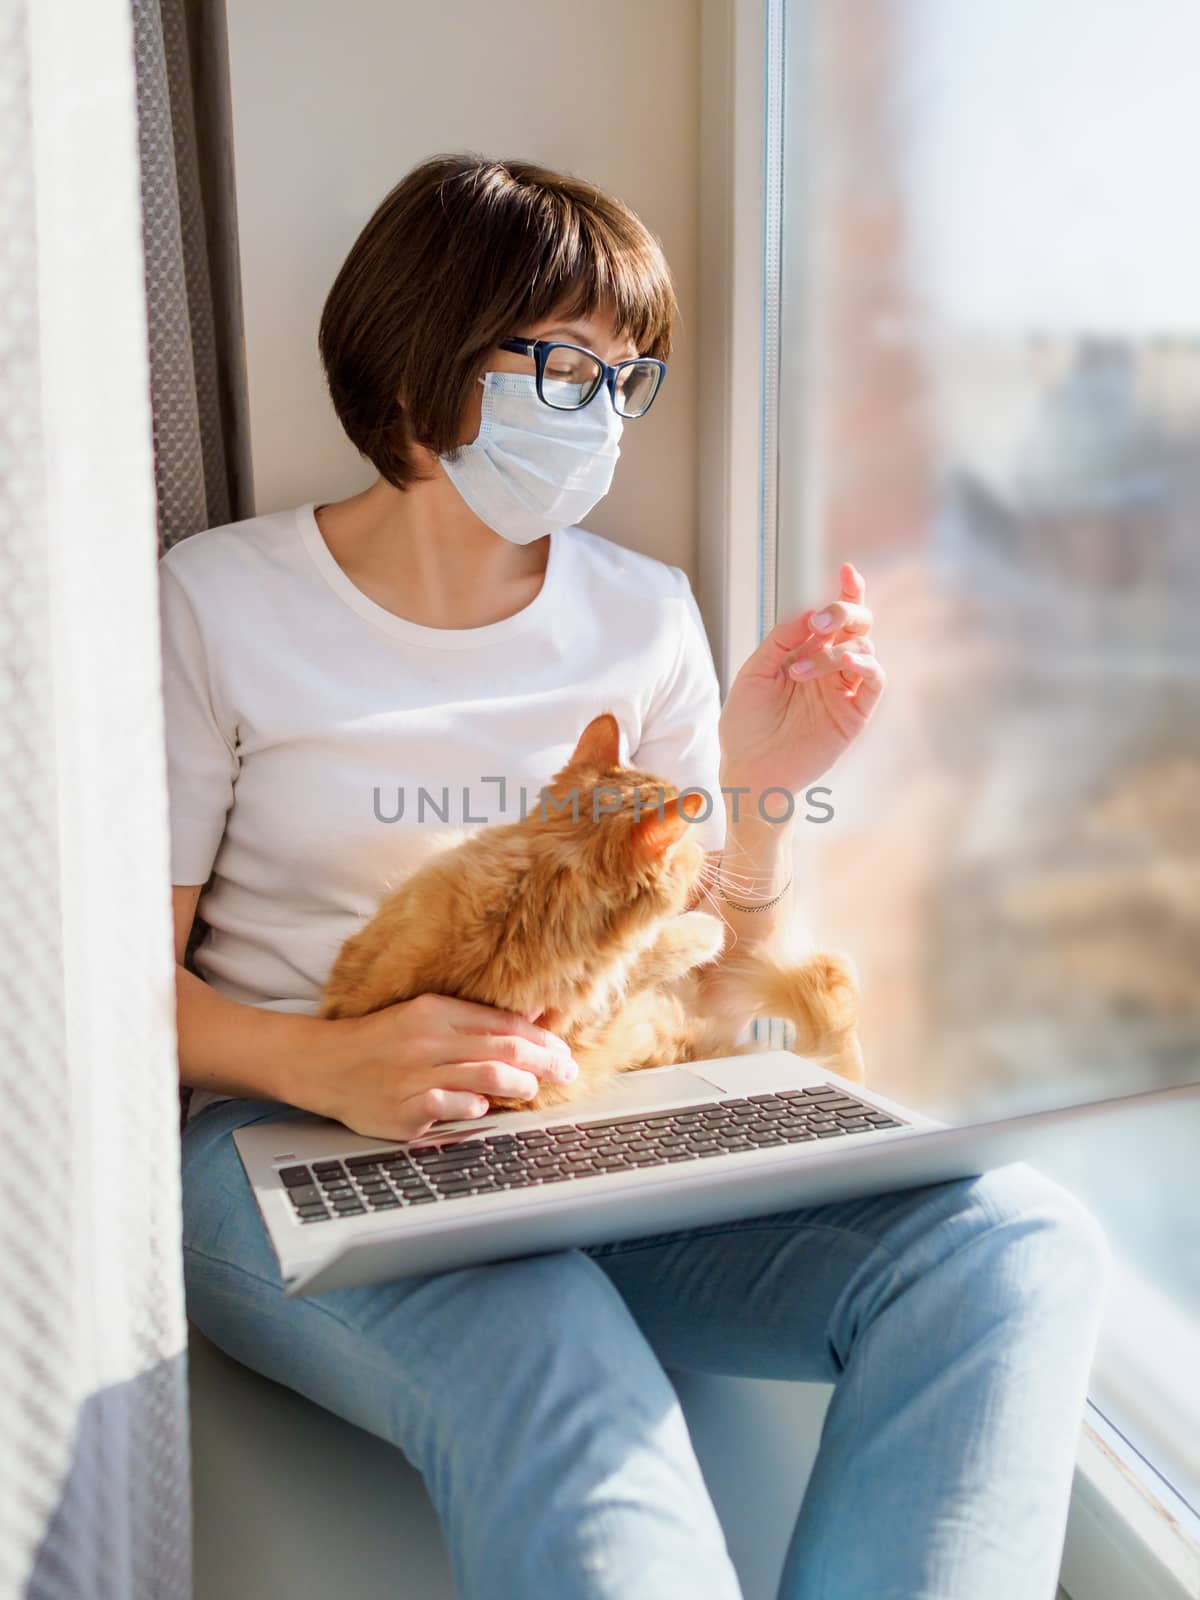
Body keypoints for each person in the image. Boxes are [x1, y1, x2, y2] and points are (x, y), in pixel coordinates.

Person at [166, 154, 1108, 1600]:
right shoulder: (219, 603)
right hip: (296, 1149)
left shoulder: (642, 611)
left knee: (1013, 1244)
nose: (601, 412)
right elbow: (107, 997)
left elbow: (719, 989)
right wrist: (326, 1062)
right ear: (421, 355)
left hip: (601, 1122)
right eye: (563, 364)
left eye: (628, 377)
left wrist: (759, 794)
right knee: (559, 1363)